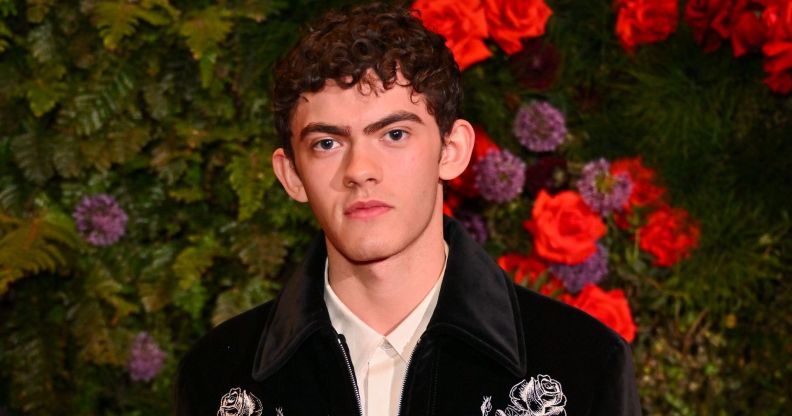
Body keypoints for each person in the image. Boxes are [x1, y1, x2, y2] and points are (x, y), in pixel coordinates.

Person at [176, 3, 642, 416]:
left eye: (394, 134)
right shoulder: (218, 379)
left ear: (452, 149)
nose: (359, 170)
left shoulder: (582, 367)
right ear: (292, 175)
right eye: (327, 143)